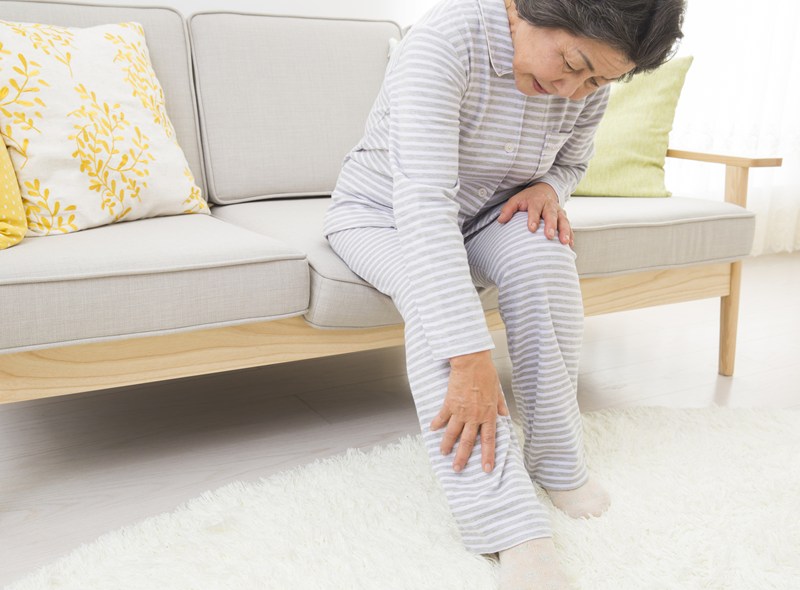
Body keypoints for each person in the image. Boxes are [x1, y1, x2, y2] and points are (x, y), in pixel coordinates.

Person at [323, 0, 685, 587]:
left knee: (547, 253)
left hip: (490, 213)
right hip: (383, 215)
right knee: (432, 298)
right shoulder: (443, 43)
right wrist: (469, 356)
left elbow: (573, 161)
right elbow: (423, 203)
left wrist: (550, 187)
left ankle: (557, 459)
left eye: (595, 81)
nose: (573, 92)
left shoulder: (588, 78)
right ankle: (505, 521)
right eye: (572, 64)